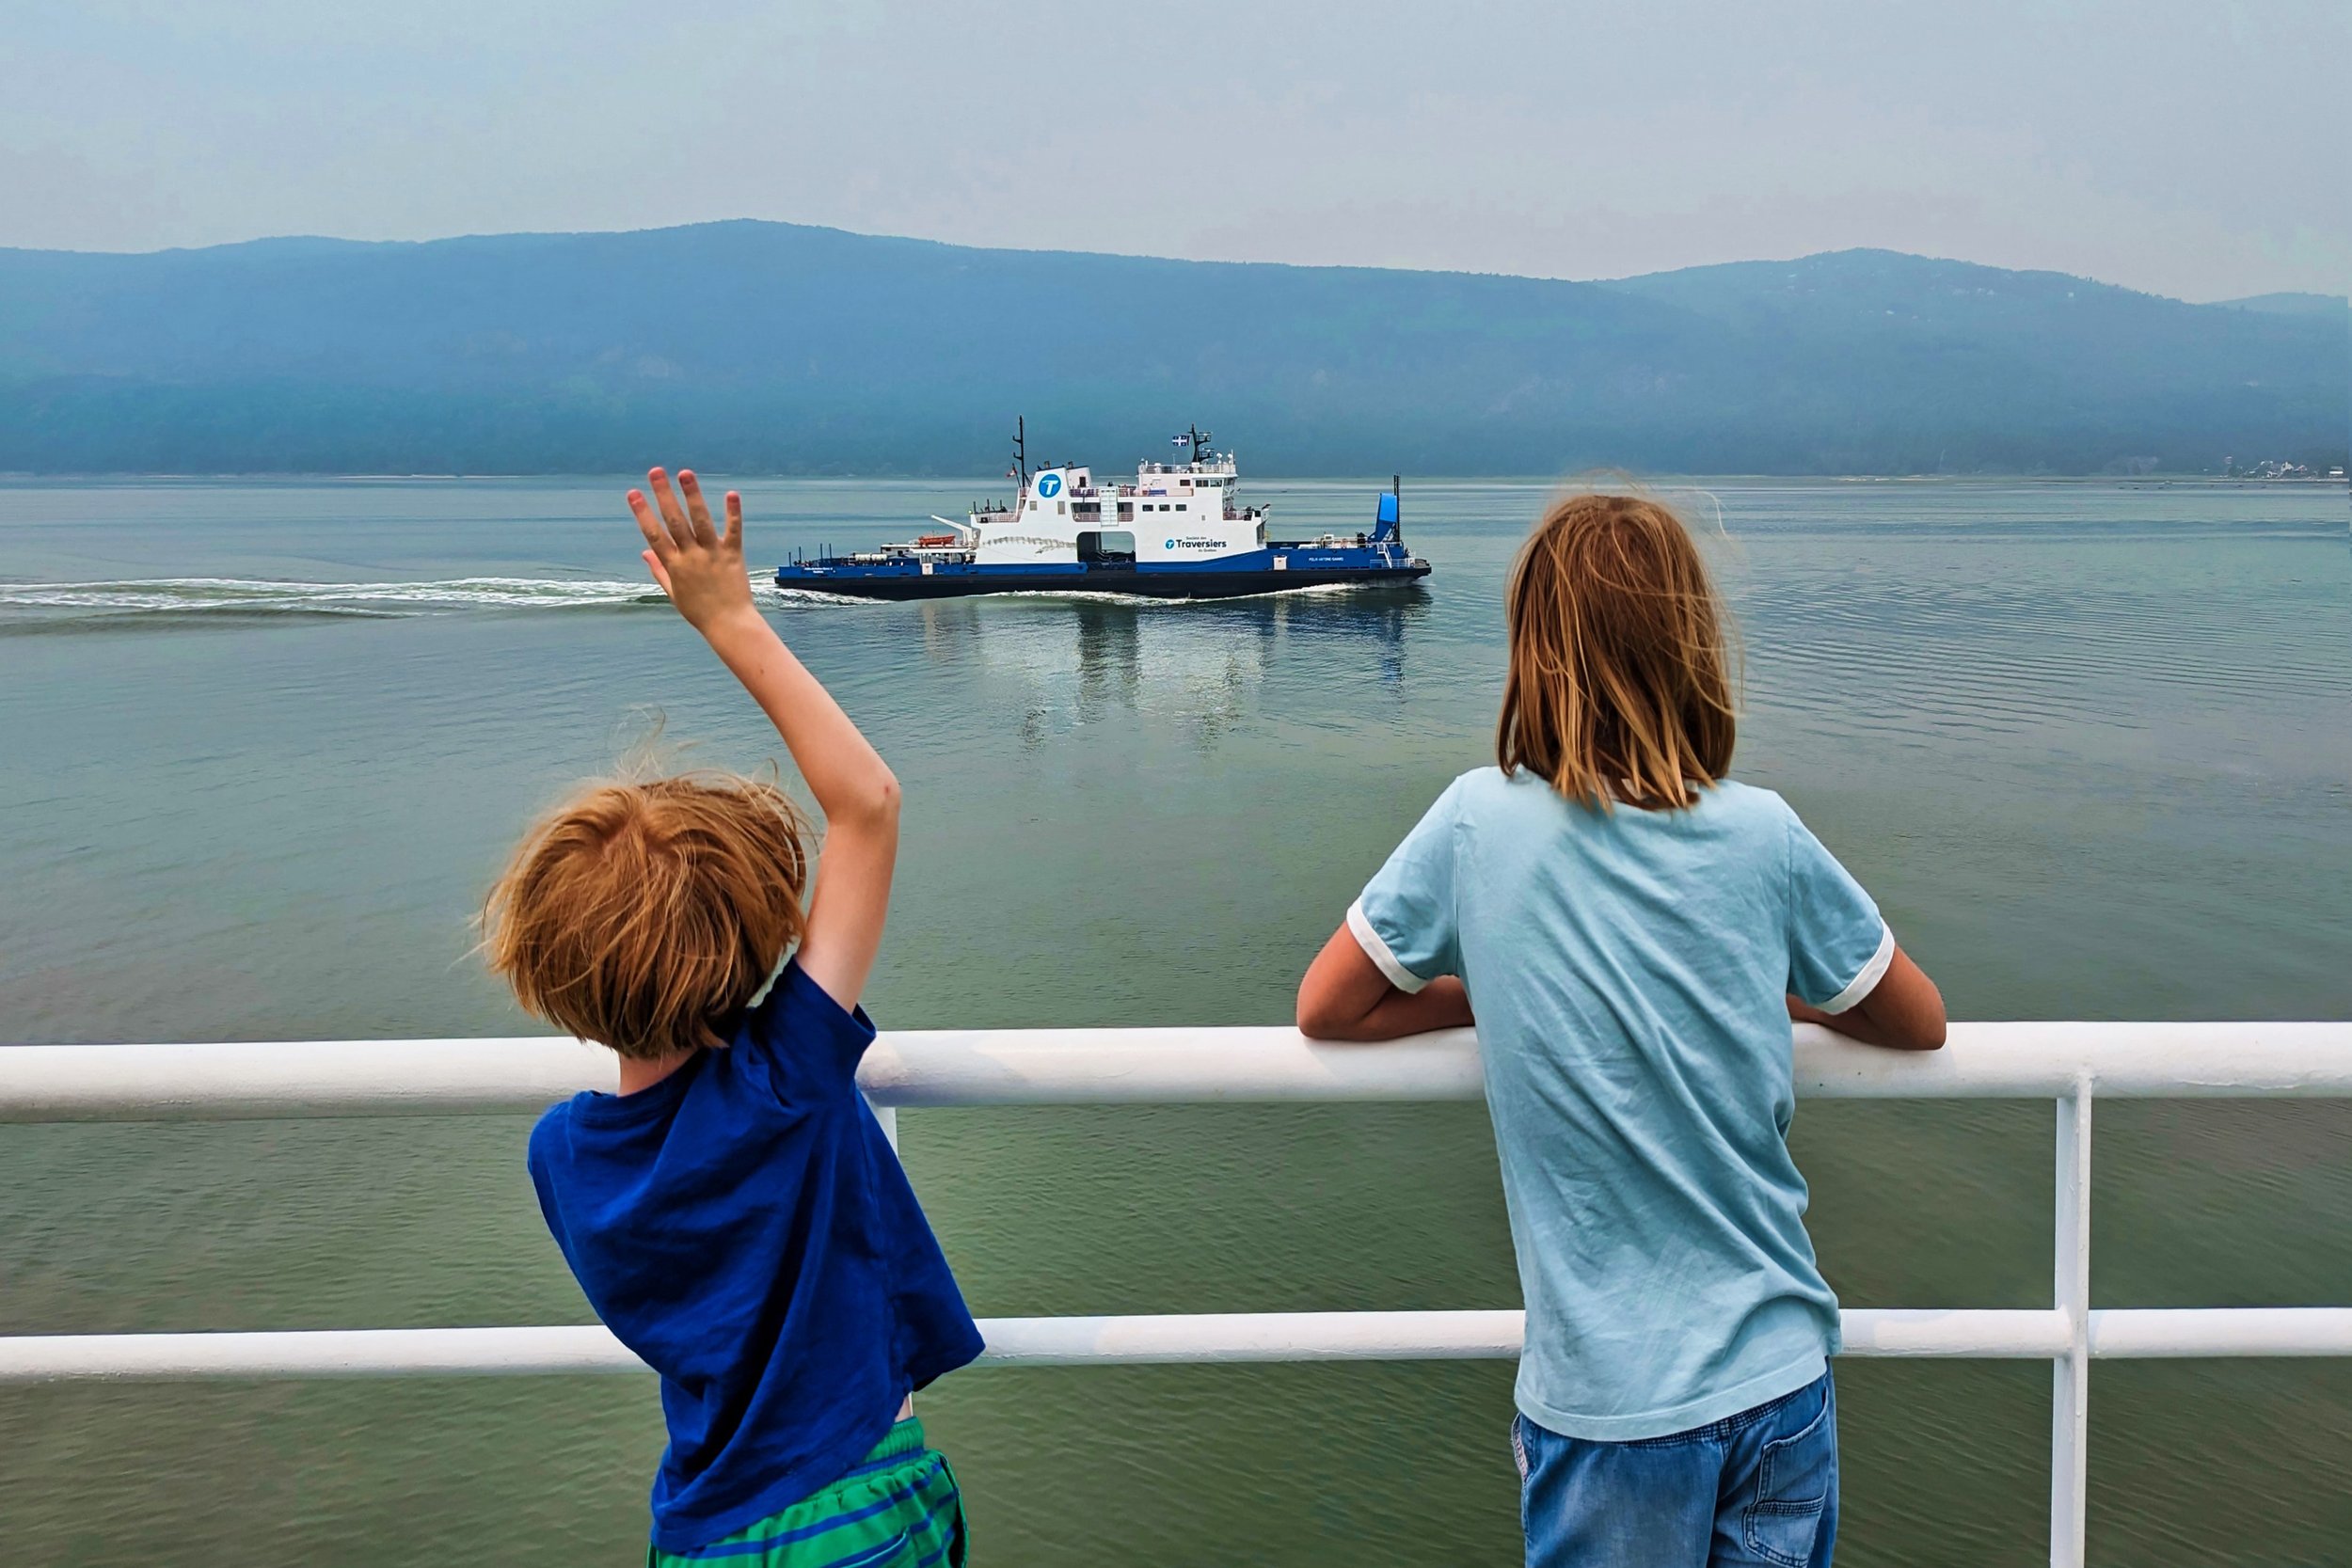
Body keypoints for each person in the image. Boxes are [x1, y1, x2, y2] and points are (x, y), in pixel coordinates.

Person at [1295, 492, 1945, 1568]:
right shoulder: (1764, 831)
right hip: (1779, 1378)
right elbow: (1914, 1020)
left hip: (1609, 1407)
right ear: (1689, 647)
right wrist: (1761, 987)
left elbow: (1329, 1004)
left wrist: (1488, 988)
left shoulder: (1474, 820)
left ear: (1534, 652)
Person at [483, 468, 982, 1567]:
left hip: (702, 1529)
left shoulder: (561, 1154)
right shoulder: (783, 1078)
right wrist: (730, 616)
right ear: (757, 946)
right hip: (849, 1509)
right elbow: (867, 804)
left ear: (548, 970)